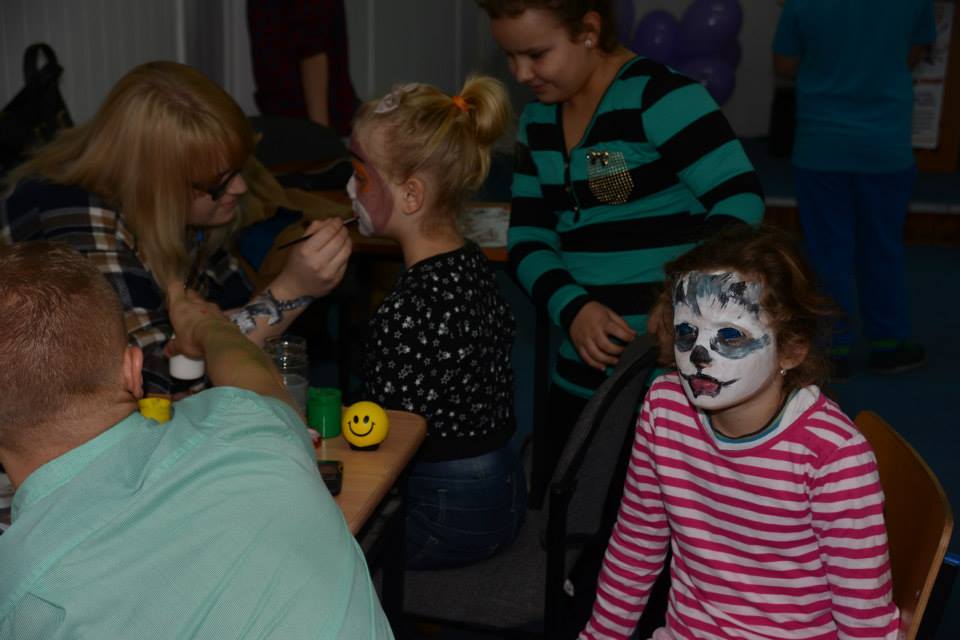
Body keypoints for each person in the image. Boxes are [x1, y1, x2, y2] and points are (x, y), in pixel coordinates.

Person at [0, 241, 393, 639]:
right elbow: (255, 373)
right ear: (133, 370)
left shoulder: (20, 595)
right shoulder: (246, 423)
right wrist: (205, 326)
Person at [477, 0, 765, 501]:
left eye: (537, 54)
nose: (521, 74)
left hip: (673, 373)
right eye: (510, 57)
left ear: (589, 30)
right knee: (566, 507)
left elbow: (740, 200)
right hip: (581, 368)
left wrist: (681, 300)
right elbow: (527, 238)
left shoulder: (660, 97)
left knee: (667, 514)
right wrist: (573, 309)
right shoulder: (537, 121)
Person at [579, 226, 898, 640]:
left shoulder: (831, 456)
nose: (699, 355)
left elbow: (864, 620)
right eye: (687, 333)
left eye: (730, 336)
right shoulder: (665, 408)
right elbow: (636, 545)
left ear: (792, 350)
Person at [0, 61, 352, 397]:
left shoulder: (180, 209)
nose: (241, 188)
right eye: (219, 182)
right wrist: (290, 292)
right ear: (160, 184)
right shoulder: (74, 219)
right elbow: (155, 388)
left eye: (239, 169)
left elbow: (231, 308)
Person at [351, 76, 527, 569]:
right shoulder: (472, 262)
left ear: (411, 195)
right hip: (504, 494)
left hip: (450, 515)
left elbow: (383, 443)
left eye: (360, 176)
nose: (350, 189)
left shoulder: (410, 307)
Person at [773, 0, 935, 377]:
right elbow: (914, 53)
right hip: (885, 144)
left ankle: (833, 347)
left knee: (826, 251)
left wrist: (829, 68)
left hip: (821, 144)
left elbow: (784, 64)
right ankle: (888, 343)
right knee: (883, 247)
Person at [247, 0, 360, 137]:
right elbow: (312, 51)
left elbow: (311, 49)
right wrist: (322, 136)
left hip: (290, 116)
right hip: (299, 118)